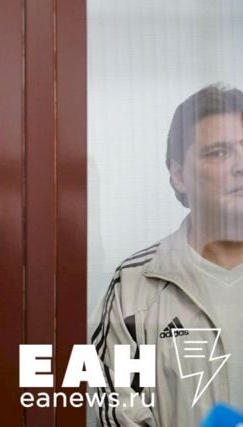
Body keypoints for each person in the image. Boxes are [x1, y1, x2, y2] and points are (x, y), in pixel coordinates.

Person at [91, 84, 243, 426]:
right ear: (179, 176)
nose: (241, 165)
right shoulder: (134, 285)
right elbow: (117, 411)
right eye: (219, 152)